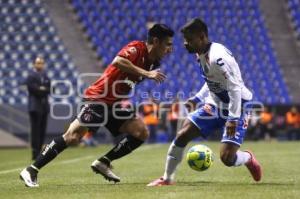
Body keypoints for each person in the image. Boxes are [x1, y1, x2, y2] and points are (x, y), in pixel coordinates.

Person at [20, 24, 174, 187]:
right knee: (73, 136)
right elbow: (118, 61)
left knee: (140, 131)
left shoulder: (153, 63)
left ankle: (104, 162)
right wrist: (146, 73)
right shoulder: (136, 48)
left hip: (113, 103)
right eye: (168, 44)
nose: (170, 49)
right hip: (98, 98)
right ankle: (31, 170)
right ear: (156, 41)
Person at [148, 18, 262, 186]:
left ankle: (247, 158)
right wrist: (197, 99)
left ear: (201, 37)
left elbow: (235, 89)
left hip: (238, 106)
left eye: (189, 40)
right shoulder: (201, 53)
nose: (186, 44)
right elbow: (212, 80)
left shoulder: (218, 58)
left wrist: (232, 118)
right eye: (185, 40)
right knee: (182, 134)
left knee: (227, 158)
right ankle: (167, 178)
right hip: (215, 105)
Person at [26, 57, 51, 160]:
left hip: (44, 106)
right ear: (34, 64)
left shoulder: (46, 76)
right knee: (35, 130)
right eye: (38, 63)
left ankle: (40, 151)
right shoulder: (31, 76)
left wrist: (41, 89)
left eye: (41, 63)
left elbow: (49, 89)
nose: (40, 64)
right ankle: (34, 152)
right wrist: (42, 89)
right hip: (35, 107)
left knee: (42, 130)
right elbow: (32, 89)